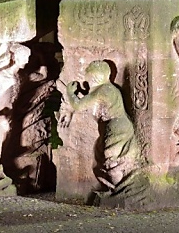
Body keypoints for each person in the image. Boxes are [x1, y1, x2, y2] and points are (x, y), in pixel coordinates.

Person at [61, 60, 142, 189]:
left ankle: (120, 189)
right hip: (119, 126)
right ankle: (117, 187)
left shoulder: (103, 90)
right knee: (102, 156)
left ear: (94, 77)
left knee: (110, 161)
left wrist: (70, 93)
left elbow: (79, 105)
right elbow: (91, 100)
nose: (87, 82)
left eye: (88, 79)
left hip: (116, 128)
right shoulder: (109, 88)